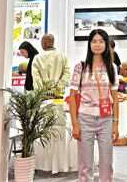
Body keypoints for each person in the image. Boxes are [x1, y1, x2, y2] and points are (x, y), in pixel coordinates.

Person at [68, 29, 119, 182]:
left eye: (101, 41)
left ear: (106, 44)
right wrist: (75, 124)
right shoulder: (81, 67)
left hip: (106, 119)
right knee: (85, 164)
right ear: (89, 44)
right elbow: (72, 97)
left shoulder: (112, 67)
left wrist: (115, 124)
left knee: (107, 163)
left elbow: (115, 98)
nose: (97, 45)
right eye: (94, 41)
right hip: (85, 118)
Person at [31, 33, 71, 172]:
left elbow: (36, 80)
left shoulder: (37, 58)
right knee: (59, 128)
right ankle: (60, 164)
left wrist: (44, 90)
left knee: (45, 128)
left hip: (44, 99)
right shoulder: (62, 56)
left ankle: (45, 164)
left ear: (44, 43)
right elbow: (66, 75)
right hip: (58, 97)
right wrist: (58, 87)